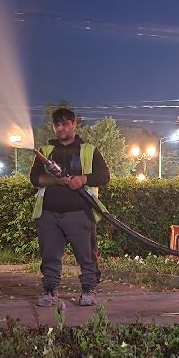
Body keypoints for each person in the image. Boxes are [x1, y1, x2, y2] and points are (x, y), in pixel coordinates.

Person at [30, 107, 110, 307]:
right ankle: (50, 291)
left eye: (66, 123)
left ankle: (88, 291)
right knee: (49, 255)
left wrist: (83, 179)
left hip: (80, 212)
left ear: (74, 124)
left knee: (86, 255)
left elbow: (104, 177)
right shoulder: (45, 151)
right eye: (57, 124)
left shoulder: (88, 150)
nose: (61, 128)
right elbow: (34, 179)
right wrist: (55, 180)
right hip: (49, 214)